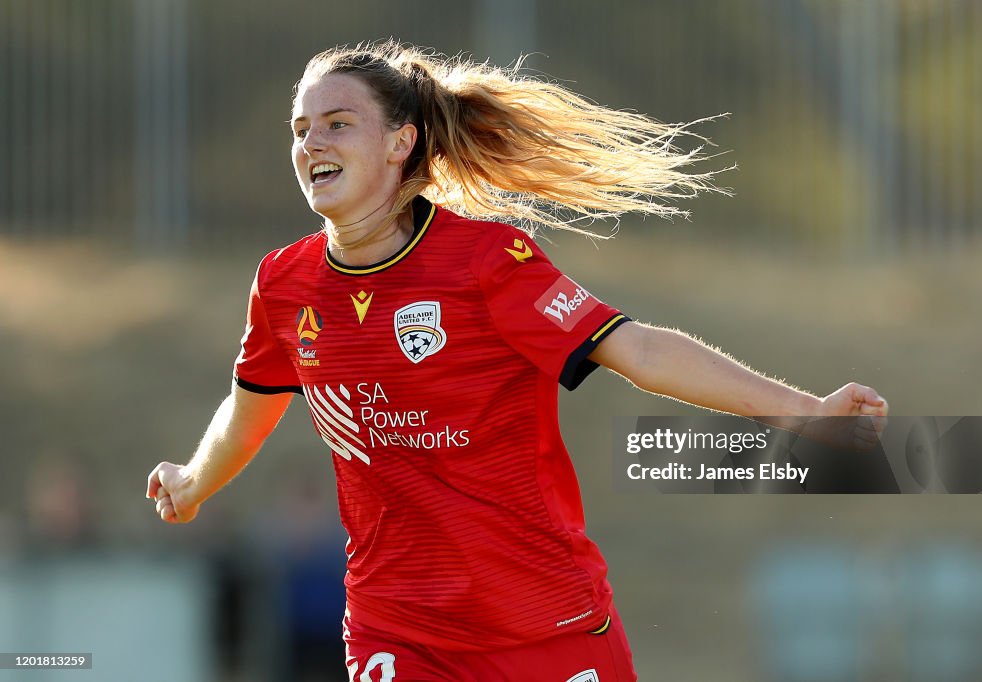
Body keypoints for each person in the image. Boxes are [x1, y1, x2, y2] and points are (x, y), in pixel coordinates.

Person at [146, 41, 888, 682]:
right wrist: (193, 480)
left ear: (401, 142)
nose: (312, 144)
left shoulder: (485, 262)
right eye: (301, 130)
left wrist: (806, 411)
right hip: (397, 629)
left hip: (545, 622)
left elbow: (640, 348)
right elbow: (248, 413)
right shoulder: (284, 282)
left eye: (338, 124)